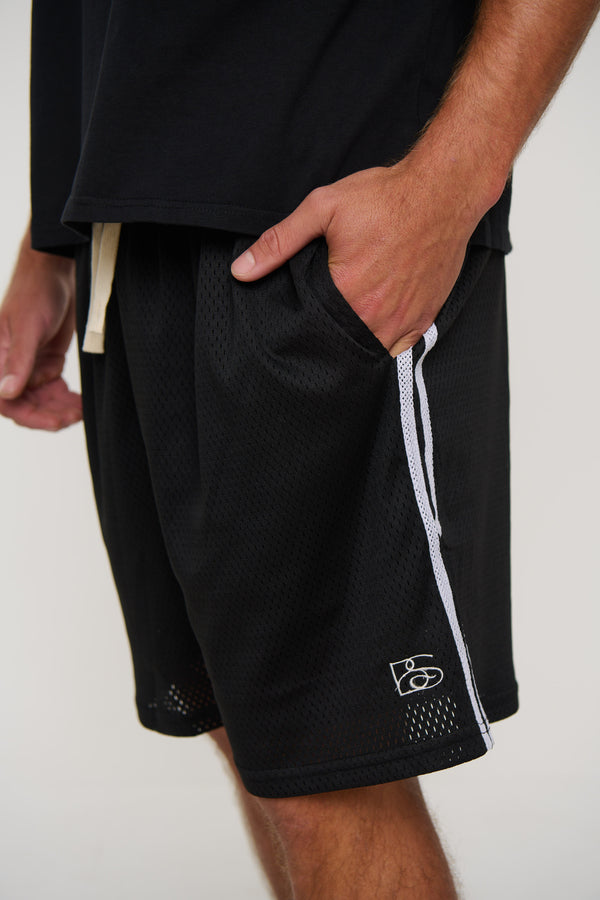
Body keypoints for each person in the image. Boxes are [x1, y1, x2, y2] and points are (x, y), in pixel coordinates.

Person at [0, 1, 597, 897]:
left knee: (334, 776)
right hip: (126, 232)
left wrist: (446, 186)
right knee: (252, 740)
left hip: (317, 209)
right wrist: (52, 235)